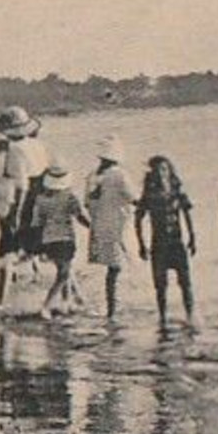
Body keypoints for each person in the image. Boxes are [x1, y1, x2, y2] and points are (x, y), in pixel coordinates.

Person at [0, 106, 51, 304]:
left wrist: (15, 213)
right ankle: (72, 296)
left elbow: (22, 185)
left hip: (27, 199)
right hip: (44, 195)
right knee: (52, 248)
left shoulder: (15, 149)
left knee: (8, 247)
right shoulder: (37, 145)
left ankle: (0, 300)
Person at [136, 154, 197, 330]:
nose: (161, 174)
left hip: (177, 242)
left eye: (164, 169)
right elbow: (138, 218)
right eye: (157, 171)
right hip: (158, 244)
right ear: (152, 175)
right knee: (161, 285)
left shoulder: (178, 192)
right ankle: (163, 317)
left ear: (170, 172)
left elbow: (187, 215)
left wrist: (193, 238)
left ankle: (190, 315)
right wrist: (141, 244)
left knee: (185, 282)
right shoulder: (149, 195)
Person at [86, 136, 137, 324]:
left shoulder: (93, 176)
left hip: (100, 227)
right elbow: (133, 197)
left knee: (112, 269)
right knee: (117, 268)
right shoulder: (120, 174)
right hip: (119, 227)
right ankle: (113, 310)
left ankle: (111, 308)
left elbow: (88, 203)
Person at [29, 162, 90, 318]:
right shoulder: (70, 197)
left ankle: (69, 301)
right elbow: (80, 216)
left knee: (65, 270)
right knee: (63, 274)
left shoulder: (41, 199)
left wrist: (37, 245)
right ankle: (47, 305)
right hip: (66, 239)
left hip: (48, 240)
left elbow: (36, 223)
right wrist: (93, 227)